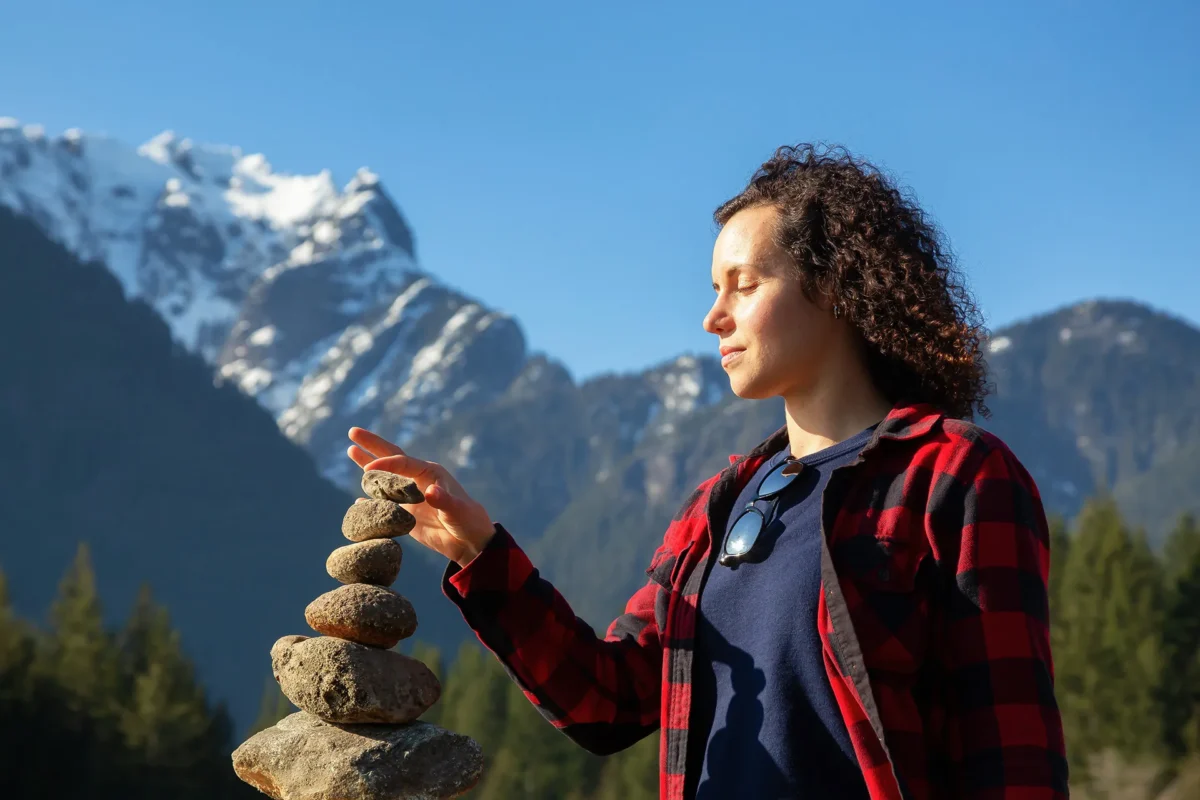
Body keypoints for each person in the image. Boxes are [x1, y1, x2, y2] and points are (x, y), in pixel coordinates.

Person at [346, 144, 1068, 799]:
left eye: (742, 284)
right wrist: (480, 553)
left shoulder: (958, 476)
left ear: (838, 288)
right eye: (712, 289)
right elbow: (609, 700)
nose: (712, 317)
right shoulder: (721, 503)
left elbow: (1014, 761)